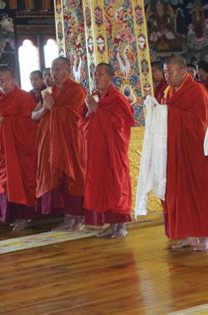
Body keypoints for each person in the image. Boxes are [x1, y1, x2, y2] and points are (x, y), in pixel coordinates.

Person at [160, 56, 208, 251]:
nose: (166, 76)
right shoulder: (168, 91)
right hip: (176, 151)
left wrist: (171, 112)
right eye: (165, 72)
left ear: (182, 72)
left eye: (170, 72)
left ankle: (204, 236)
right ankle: (188, 235)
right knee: (180, 193)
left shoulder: (197, 91)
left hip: (197, 152)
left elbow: (201, 125)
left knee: (199, 193)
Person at [81, 63, 136, 238]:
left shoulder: (117, 99)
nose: (96, 77)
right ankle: (111, 225)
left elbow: (120, 125)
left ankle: (121, 226)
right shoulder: (95, 97)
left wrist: (98, 111)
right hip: (98, 151)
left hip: (114, 151)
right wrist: (90, 112)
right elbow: (83, 125)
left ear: (110, 77)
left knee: (116, 185)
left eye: (100, 74)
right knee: (103, 186)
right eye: (95, 74)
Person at [34, 57, 86, 231]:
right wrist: (45, 107)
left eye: (57, 69)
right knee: (61, 179)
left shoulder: (77, 90)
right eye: (52, 69)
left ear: (67, 70)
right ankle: (68, 217)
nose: (54, 73)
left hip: (72, 141)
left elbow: (74, 115)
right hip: (55, 143)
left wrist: (53, 108)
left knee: (74, 178)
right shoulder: (51, 91)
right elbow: (34, 115)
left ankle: (79, 217)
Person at [0, 68, 38, 231]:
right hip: (4, 149)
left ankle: (25, 217)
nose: (3, 84)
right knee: (5, 183)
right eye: (0, 81)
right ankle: (14, 216)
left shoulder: (23, 97)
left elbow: (30, 123)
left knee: (21, 182)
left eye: (6, 80)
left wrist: (6, 122)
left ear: (14, 80)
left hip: (20, 150)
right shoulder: (0, 98)